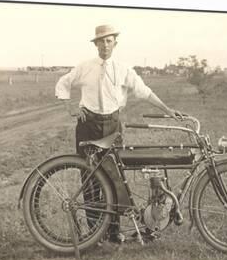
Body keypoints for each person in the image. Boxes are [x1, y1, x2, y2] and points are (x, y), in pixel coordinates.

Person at [55, 24, 182, 243]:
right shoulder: (85, 67)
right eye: (100, 41)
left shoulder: (123, 69)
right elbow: (63, 83)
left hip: (113, 126)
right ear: (95, 44)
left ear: (115, 43)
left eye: (108, 41)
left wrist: (168, 111)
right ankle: (96, 234)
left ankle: (113, 232)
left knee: (114, 178)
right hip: (88, 125)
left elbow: (145, 92)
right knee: (90, 177)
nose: (104, 45)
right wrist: (70, 109)